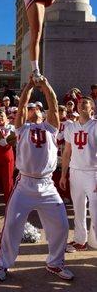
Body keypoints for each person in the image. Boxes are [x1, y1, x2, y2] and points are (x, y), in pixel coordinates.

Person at [0, 76, 73, 282]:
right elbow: (20, 106)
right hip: (25, 184)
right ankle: (2, 264)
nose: (34, 109)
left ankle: (55, 263)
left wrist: (46, 85)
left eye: (37, 108)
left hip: (47, 185)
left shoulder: (51, 128)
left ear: (42, 112)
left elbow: (54, 105)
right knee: (11, 226)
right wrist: (29, 86)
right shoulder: (22, 128)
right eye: (31, 108)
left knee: (62, 226)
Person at [60, 96, 97, 253]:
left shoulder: (95, 126)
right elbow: (67, 152)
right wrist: (63, 174)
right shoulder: (71, 127)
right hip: (75, 172)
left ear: (92, 109)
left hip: (93, 172)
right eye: (80, 103)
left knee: (95, 210)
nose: (82, 104)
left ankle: (95, 242)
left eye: (85, 103)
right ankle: (80, 240)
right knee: (78, 208)